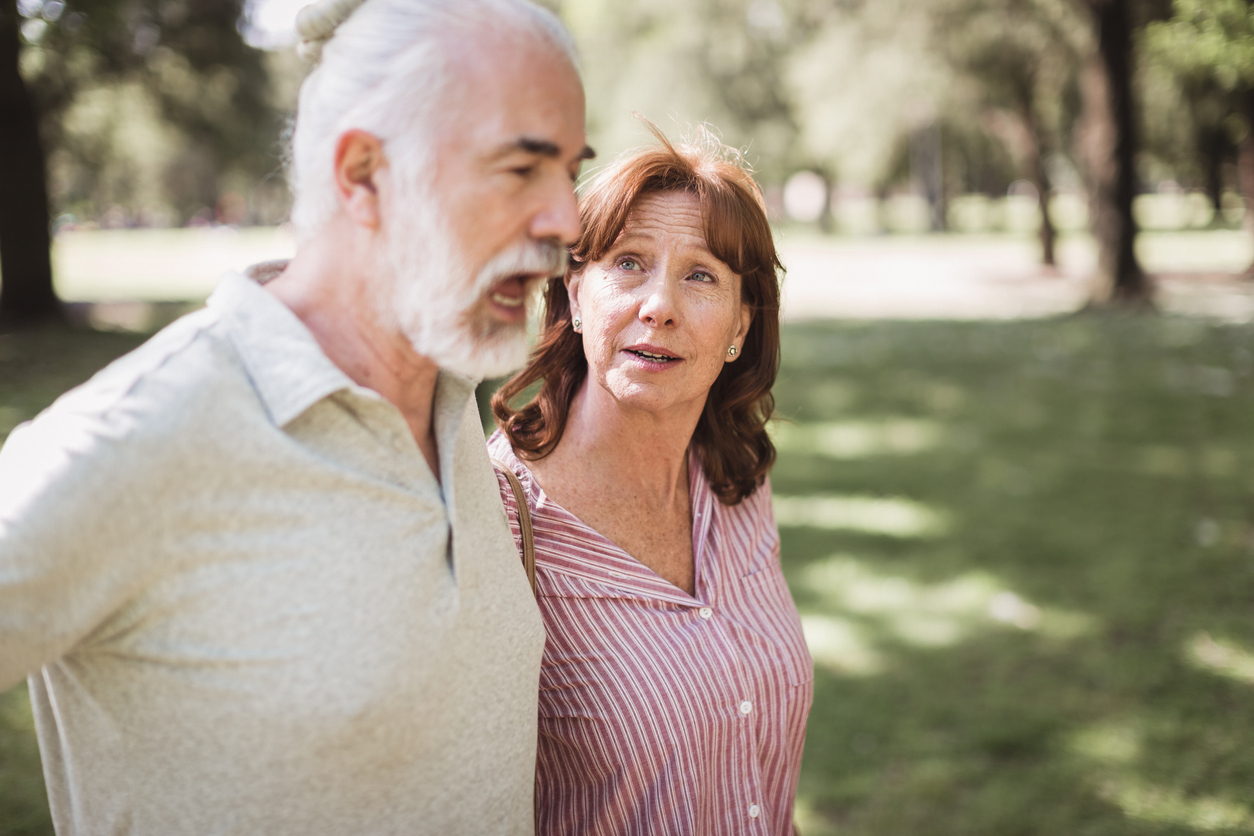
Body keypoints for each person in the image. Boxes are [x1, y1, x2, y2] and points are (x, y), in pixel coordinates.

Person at [0, 0, 592, 832]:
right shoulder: (136, 438)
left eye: (570, 169)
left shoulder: (456, 397)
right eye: (520, 169)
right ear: (362, 174)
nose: (567, 220)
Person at [488, 128, 813, 836]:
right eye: (629, 263)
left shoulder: (738, 482)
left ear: (739, 323)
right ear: (576, 294)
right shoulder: (498, 521)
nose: (659, 304)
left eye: (701, 275)